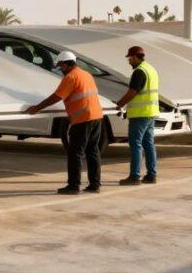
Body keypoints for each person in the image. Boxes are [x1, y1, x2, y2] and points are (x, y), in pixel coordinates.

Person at [25, 50, 104, 193]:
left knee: (75, 153)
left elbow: (56, 96)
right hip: (96, 116)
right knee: (93, 151)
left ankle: (73, 186)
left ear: (67, 65)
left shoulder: (70, 77)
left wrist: (37, 107)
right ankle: (95, 185)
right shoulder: (86, 74)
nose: (60, 69)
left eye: (60, 66)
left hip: (83, 119)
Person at [114, 46, 159, 185]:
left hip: (140, 115)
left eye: (129, 58)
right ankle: (151, 175)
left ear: (135, 57)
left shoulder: (139, 72)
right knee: (149, 144)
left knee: (136, 145)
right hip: (150, 112)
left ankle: (134, 176)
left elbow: (132, 92)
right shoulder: (151, 69)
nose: (129, 61)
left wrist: (119, 104)